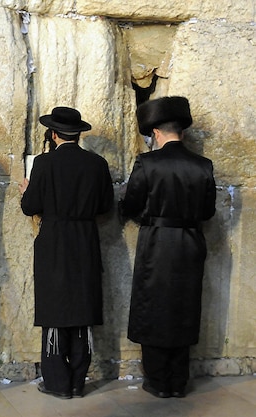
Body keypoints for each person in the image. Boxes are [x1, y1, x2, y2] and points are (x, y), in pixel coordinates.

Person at [119, 96, 216, 398]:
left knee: (154, 307)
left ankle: (158, 381)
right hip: (190, 244)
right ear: (182, 132)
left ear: (156, 133)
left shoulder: (147, 163)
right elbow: (208, 211)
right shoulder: (203, 165)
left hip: (157, 243)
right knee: (183, 307)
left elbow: (131, 204)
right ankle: (178, 380)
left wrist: (149, 218)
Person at [19, 106, 113, 399]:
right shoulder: (97, 164)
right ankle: (77, 382)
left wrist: (26, 191)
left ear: (54, 134)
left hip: (55, 240)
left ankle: (58, 383)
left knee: (55, 308)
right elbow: (106, 206)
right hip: (85, 239)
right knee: (82, 308)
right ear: (78, 134)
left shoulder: (44, 164)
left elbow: (29, 207)